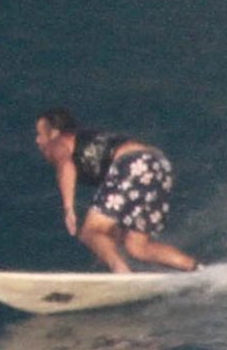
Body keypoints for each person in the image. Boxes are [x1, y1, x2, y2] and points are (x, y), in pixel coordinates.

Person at [34, 107, 199, 274]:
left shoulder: (58, 142)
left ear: (54, 133)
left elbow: (65, 166)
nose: (38, 141)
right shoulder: (86, 138)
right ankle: (196, 270)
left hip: (134, 163)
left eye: (40, 134)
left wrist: (68, 207)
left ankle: (120, 271)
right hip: (158, 165)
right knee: (137, 247)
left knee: (91, 231)